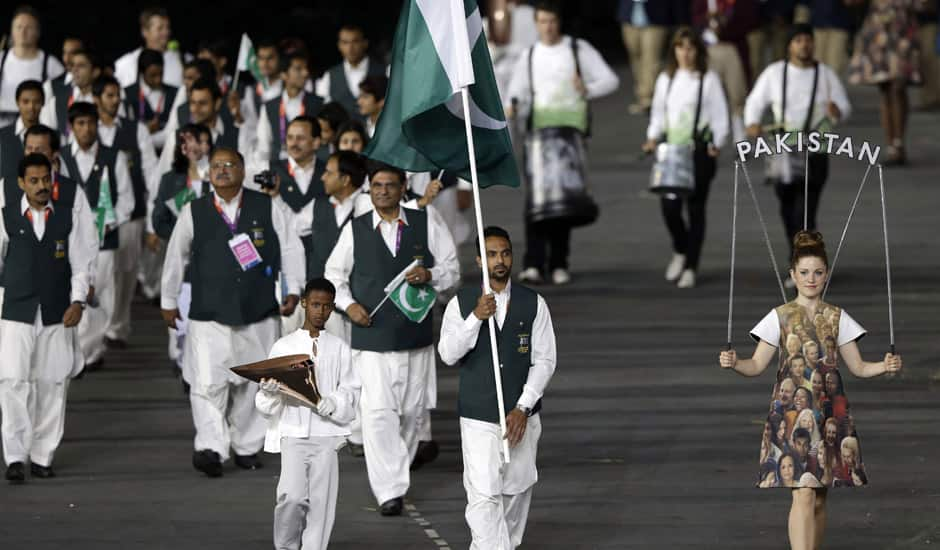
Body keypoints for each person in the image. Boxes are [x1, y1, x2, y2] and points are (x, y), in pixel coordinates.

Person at [720, 230, 903, 550]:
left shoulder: (837, 317)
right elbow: (756, 366)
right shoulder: (778, 317)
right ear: (792, 275)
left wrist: (883, 366)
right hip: (789, 415)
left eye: (817, 272)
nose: (811, 278)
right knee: (803, 493)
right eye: (804, 273)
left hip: (830, 416)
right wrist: (734, 362)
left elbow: (858, 367)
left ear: (826, 274)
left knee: (818, 497)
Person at [324, 163, 459, 515]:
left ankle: (397, 470)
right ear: (369, 190)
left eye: (390, 185)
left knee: (412, 413)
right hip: (372, 339)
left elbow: (452, 269)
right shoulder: (355, 230)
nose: (383, 191)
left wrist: (430, 273)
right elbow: (333, 275)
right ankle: (389, 491)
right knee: (378, 414)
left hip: (415, 336)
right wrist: (349, 305)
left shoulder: (426, 221)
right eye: (377, 186)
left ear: (403, 188)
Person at [160, 147, 304, 477]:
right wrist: (168, 301)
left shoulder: (266, 206)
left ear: (243, 170)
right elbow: (175, 256)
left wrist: (293, 289)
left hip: (258, 311)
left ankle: (247, 446)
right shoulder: (194, 210)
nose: (223, 170)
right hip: (208, 314)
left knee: (256, 382)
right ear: (208, 172)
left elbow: (291, 247)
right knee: (207, 383)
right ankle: (211, 447)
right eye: (216, 166)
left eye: (230, 165)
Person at [438, 226, 556, 549]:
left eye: (504, 253)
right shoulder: (462, 302)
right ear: (479, 260)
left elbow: (545, 361)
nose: (499, 260)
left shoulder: (534, 303)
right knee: (483, 494)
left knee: (516, 492)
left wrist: (523, 406)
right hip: (478, 416)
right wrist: (475, 317)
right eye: (491, 254)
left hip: (521, 419)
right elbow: (447, 353)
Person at [506, 1, 619, 286]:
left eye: (552, 21)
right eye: (543, 21)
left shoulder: (577, 49)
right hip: (538, 136)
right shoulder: (529, 55)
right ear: (536, 23)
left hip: (570, 134)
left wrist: (587, 89)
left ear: (560, 22)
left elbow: (610, 80)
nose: (548, 27)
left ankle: (558, 262)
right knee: (536, 200)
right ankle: (533, 262)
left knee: (564, 200)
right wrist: (513, 107)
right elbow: (516, 92)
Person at [0, 153, 96, 483]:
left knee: (53, 383)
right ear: (21, 184)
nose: (42, 186)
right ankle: (15, 456)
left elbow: (81, 264)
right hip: (15, 310)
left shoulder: (66, 217)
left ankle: (42, 455)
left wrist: (78, 301)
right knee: (12, 381)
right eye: (35, 181)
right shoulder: (6, 216)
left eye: (46, 180)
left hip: (56, 312)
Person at [255, 277, 360, 550]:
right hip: (294, 432)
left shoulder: (339, 347)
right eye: (315, 305)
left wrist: (334, 402)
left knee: (322, 504)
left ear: (333, 308)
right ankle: (286, 546)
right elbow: (268, 400)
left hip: (326, 435)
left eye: (326, 307)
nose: (320, 312)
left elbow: (351, 388)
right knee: (290, 496)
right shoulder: (284, 346)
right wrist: (268, 392)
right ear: (304, 303)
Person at [744, 24, 851, 261]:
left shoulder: (825, 74)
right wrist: (752, 122)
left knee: (806, 211)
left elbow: (844, 105)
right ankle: (803, 257)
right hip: (783, 151)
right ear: (790, 45)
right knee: (787, 207)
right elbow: (754, 101)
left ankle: (804, 263)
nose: (804, 44)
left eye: (807, 40)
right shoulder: (775, 73)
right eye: (798, 40)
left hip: (815, 150)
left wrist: (838, 110)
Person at [643, 27, 729, 289]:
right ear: (674, 50)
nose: (686, 53)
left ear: (698, 51)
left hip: (698, 150)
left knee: (695, 207)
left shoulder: (708, 79)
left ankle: (691, 264)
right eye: (681, 47)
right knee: (669, 207)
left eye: (691, 47)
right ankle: (680, 249)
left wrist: (717, 141)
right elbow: (659, 112)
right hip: (671, 150)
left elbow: (719, 115)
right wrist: (653, 136)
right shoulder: (666, 79)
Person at [59, 101, 135, 369]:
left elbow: (126, 198)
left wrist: (109, 221)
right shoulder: (61, 158)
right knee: (74, 294)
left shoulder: (113, 157)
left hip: (105, 239)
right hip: (70, 241)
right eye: (80, 123)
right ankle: (77, 352)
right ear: (71, 127)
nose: (86, 129)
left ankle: (91, 351)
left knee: (101, 295)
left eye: (91, 123)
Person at [92, 75, 159, 349]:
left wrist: (152, 212)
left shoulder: (136, 129)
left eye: (117, 94)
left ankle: (118, 326)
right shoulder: (85, 128)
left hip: (132, 213)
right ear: (97, 99)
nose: (115, 100)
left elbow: (151, 171)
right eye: (109, 95)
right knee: (98, 273)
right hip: (95, 215)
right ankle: (98, 329)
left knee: (126, 271)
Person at [150, 124, 212, 383]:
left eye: (203, 141)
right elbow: (158, 219)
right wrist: (179, 236)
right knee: (181, 320)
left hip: (210, 259)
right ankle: (180, 360)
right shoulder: (171, 179)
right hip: (182, 260)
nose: (196, 147)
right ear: (181, 147)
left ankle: (199, 370)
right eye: (190, 142)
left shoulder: (218, 177)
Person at [848, 0, 924, 165]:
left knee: (898, 86)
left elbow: (925, 6)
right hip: (878, 34)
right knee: (884, 88)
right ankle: (891, 145)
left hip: (902, 35)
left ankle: (898, 142)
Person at [158, 78, 251, 177]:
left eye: (202, 103)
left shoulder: (238, 135)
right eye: (193, 103)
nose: (195, 109)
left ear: (217, 103)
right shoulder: (176, 137)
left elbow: (247, 173)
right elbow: (163, 177)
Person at [0, 6, 65, 128]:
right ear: (12, 31)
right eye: (19, 27)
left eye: (28, 27)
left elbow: (62, 98)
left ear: (38, 32)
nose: (23, 32)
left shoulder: (51, 64)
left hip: (37, 126)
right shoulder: (1, 59)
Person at [255, 52, 324, 164]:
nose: (305, 73)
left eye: (306, 68)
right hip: (280, 170)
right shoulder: (269, 106)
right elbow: (263, 146)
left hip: (310, 168)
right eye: (298, 69)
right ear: (284, 75)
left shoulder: (319, 103)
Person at [618, 0, 683, 114]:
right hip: (630, 16)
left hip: (655, 18)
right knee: (635, 58)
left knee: (651, 59)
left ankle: (648, 98)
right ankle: (642, 94)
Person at [315, 24, 386, 123]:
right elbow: (323, 112)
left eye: (355, 41)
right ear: (339, 45)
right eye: (345, 42)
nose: (350, 47)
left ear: (365, 43)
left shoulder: (385, 71)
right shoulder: (329, 76)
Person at [122, 48, 179, 151]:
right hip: (140, 153)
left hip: (168, 152)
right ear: (141, 72)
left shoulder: (174, 93)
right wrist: (144, 130)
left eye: (161, 74)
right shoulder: (127, 94)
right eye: (152, 75)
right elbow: (124, 131)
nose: (158, 80)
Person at [113, 7, 183, 89]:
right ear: (144, 31)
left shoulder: (182, 59)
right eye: (160, 28)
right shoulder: (125, 63)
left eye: (167, 27)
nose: (166, 32)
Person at [40, 49, 98, 137]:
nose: (75, 69)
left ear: (95, 72)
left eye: (81, 66)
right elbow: (46, 131)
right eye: (73, 65)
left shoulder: (103, 100)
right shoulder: (59, 99)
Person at [0, 80, 44, 191]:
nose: (31, 107)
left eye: (36, 102)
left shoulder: (54, 136)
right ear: (17, 102)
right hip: (6, 201)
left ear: (43, 103)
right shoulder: (2, 135)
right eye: (26, 102)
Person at [805, 0, 858, 75]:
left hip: (839, 23)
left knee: (834, 62)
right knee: (816, 61)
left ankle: (831, 84)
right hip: (818, 20)